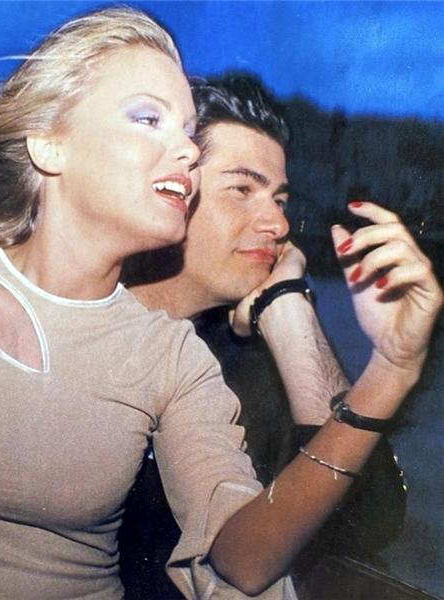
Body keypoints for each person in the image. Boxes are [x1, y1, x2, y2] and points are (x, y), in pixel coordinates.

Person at [0, 7, 441, 599]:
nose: (186, 152)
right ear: (50, 144)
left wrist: (385, 369)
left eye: (187, 132)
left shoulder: (185, 358)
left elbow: (279, 551)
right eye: (148, 118)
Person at [120, 74, 440, 598]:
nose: (278, 223)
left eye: (280, 199)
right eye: (242, 190)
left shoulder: (239, 356)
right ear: (171, 189)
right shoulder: (79, 321)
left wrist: (290, 308)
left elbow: (365, 523)